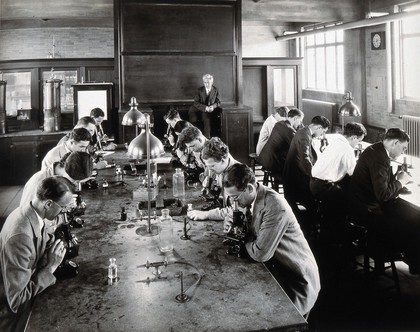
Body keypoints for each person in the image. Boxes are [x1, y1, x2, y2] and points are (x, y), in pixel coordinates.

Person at [222, 164, 320, 316]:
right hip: (275, 268)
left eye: (235, 197)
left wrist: (242, 238)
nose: (234, 202)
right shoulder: (249, 198)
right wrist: (233, 223)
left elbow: (260, 253)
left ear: (249, 188)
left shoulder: (275, 206)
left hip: (294, 280)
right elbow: (249, 230)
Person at [0, 177, 73, 331]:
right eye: (63, 208)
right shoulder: (20, 236)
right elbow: (17, 300)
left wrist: (52, 245)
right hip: (15, 317)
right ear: (48, 204)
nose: (64, 212)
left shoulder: (31, 213)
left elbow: (42, 239)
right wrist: (51, 267)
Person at [348, 128, 419, 274]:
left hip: (360, 205)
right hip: (367, 212)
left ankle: (411, 261)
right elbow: (382, 195)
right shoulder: (380, 157)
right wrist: (400, 182)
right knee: (411, 226)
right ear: (395, 142)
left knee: (407, 218)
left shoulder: (375, 149)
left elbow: (381, 183)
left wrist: (399, 183)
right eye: (403, 148)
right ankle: (413, 264)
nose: (403, 152)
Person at [310, 122, 366, 208]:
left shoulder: (336, 141)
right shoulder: (347, 149)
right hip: (324, 187)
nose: (358, 144)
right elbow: (353, 173)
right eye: (359, 141)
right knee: (355, 195)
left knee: (346, 184)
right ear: (353, 137)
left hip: (314, 183)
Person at [283, 115, 330, 217]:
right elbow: (304, 159)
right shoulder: (304, 136)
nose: (322, 134)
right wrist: (314, 174)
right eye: (323, 131)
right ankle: (311, 223)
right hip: (294, 176)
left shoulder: (305, 131)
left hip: (295, 171)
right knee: (315, 197)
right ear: (318, 128)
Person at [187, 137, 239, 221]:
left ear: (223, 160)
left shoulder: (239, 176)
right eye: (207, 166)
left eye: (212, 166)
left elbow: (236, 210)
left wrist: (207, 214)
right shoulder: (221, 168)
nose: (209, 170)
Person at [21, 151, 93, 205]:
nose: (76, 185)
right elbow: (26, 213)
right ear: (65, 168)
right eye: (74, 181)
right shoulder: (38, 181)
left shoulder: (62, 177)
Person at [258, 108, 304, 185]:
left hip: (265, 159)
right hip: (273, 163)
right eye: (300, 121)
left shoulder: (279, 124)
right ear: (295, 118)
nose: (300, 124)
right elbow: (298, 146)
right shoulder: (289, 130)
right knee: (298, 169)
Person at [188, 74, 222, 138]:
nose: (206, 84)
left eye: (208, 83)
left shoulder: (215, 90)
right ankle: (192, 138)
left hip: (206, 111)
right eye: (205, 82)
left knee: (207, 120)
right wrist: (206, 108)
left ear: (212, 82)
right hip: (195, 110)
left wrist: (213, 106)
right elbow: (196, 103)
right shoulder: (199, 90)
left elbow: (218, 102)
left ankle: (207, 140)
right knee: (193, 120)